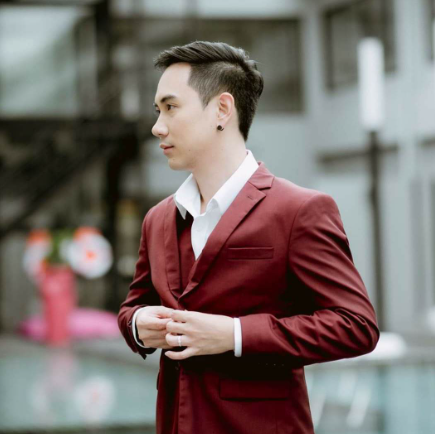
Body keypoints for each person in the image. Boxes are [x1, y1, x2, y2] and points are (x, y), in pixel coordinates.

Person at [118, 40, 379, 434]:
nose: (158, 126)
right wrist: (139, 324)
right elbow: (133, 306)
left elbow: (355, 325)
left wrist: (235, 334)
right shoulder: (157, 219)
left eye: (170, 107)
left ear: (222, 109)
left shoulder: (298, 210)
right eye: (158, 111)